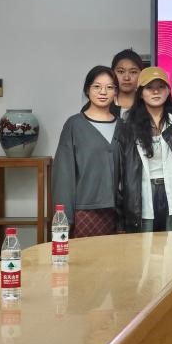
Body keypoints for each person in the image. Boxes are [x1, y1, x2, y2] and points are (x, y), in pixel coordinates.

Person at [117, 67, 172, 233]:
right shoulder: (128, 127)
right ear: (140, 93)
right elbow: (121, 168)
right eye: (149, 87)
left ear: (168, 91)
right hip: (142, 193)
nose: (156, 92)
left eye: (161, 87)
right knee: (144, 245)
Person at [53, 65, 122, 237]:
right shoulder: (74, 125)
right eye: (97, 86)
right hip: (83, 212)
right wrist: (65, 218)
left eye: (109, 87)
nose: (103, 92)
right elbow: (63, 175)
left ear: (115, 92)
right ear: (87, 90)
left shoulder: (123, 127)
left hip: (117, 212)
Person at [111, 49, 144, 118]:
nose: (126, 78)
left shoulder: (148, 105)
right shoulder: (104, 103)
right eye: (121, 71)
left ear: (141, 74)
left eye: (133, 72)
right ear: (112, 73)